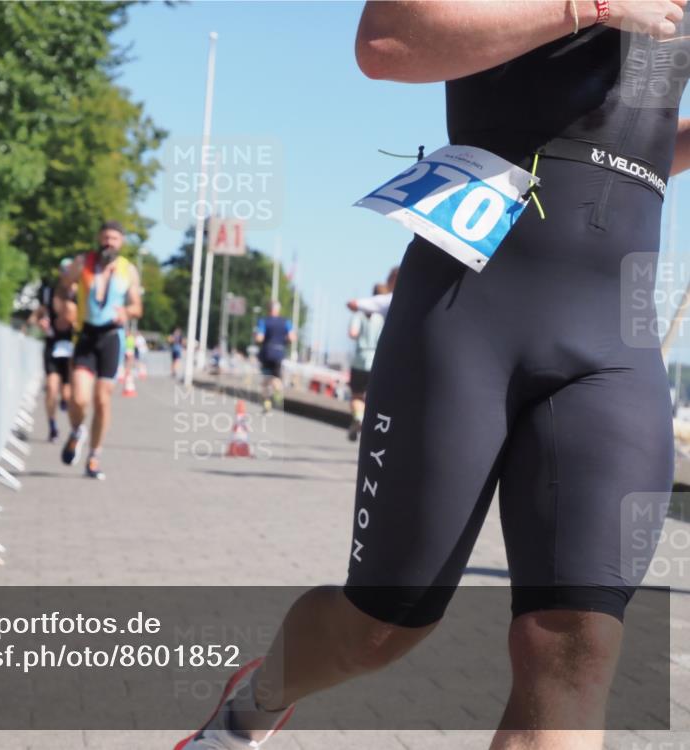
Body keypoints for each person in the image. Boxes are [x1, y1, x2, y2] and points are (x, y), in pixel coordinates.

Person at [177, 2, 689, 749]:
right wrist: (596, 7)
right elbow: (385, 42)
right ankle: (249, 707)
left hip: (615, 334)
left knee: (579, 642)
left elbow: (631, 140)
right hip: (469, 310)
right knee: (384, 624)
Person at [56, 221, 142, 480]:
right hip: (86, 335)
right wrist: (65, 307)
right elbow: (62, 287)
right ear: (98, 238)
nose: (109, 243)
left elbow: (137, 307)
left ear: (121, 242)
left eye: (114, 239)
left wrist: (126, 311)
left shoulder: (128, 270)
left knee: (102, 400)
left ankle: (94, 456)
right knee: (79, 398)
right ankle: (76, 431)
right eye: (105, 238)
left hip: (111, 337)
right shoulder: (83, 263)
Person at [38, 257, 76, 442]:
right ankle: (52, 426)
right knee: (52, 387)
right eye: (64, 271)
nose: (67, 274)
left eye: (70, 271)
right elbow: (40, 312)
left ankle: (74, 427)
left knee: (67, 393)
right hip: (53, 343)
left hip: (72, 346)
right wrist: (42, 321)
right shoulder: (50, 292)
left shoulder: (80, 293)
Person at [345, 282, 387, 441]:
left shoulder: (360, 314)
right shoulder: (381, 317)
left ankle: (358, 417)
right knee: (370, 397)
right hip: (375, 360)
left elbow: (352, 333)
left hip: (359, 359)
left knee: (356, 395)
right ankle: (366, 422)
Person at [254, 300, 296, 414]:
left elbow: (259, 338)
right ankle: (278, 393)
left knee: (266, 380)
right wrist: (284, 340)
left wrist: (256, 336)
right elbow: (292, 337)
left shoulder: (264, 321)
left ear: (269, 309)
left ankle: (267, 402)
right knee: (276, 377)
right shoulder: (286, 322)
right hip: (279, 353)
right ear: (278, 310)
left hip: (267, 353)